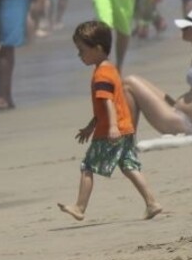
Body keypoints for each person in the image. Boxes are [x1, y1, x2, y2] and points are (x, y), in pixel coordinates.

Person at [57, 20, 163, 223]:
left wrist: (112, 126)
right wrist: (91, 126)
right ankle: (152, 202)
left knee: (87, 166)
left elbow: (107, 103)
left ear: (97, 48)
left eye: (82, 50)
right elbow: (107, 104)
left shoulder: (101, 74)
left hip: (111, 131)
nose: (79, 55)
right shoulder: (111, 68)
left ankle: (80, 207)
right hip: (125, 127)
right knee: (128, 166)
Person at [122, 6, 192, 135]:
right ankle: (128, 139)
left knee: (129, 82)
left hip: (184, 123)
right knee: (131, 81)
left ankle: (127, 141)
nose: (182, 29)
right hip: (179, 116)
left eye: (186, 27)